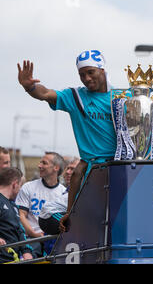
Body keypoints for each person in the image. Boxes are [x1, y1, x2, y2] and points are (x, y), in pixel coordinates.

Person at [17, 50, 117, 232]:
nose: (86, 78)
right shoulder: (76, 96)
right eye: (81, 74)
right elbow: (46, 93)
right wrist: (29, 87)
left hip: (118, 168)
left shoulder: (120, 98)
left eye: (90, 72)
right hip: (91, 172)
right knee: (88, 225)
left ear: (102, 70)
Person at [15, 152, 67, 257]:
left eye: (44, 163)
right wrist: (34, 234)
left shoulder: (64, 192)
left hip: (53, 239)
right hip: (31, 238)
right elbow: (21, 215)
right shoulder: (28, 187)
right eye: (40, 162)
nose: (39, 166)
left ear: (56, 168)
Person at [0, 167, 33, 263]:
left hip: (14, 259)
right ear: (15, 184)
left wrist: (26, 251)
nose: (20, 190)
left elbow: (20, 230)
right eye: (20, 186)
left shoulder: (14, 206)